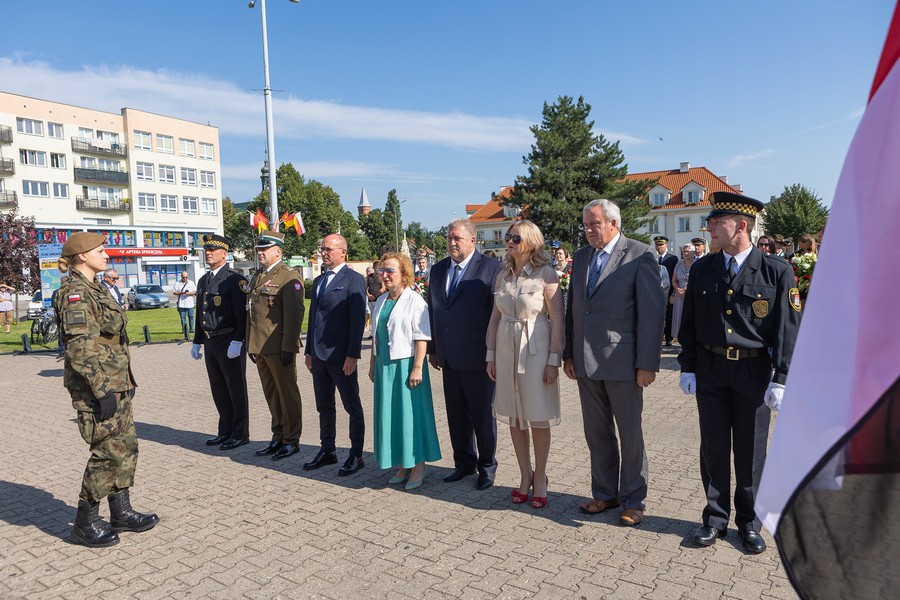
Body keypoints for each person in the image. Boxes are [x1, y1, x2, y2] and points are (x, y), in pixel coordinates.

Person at [677, 192, 802, 554]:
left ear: (741, 226)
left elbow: (788, 329)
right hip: (712, 370)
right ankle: (715, 519)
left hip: (754, 371)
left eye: (718, 222)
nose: (710, 227)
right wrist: (687, 365)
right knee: (714, 448)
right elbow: (689, 325)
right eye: (710, 221)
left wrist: (782, 376)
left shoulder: (776, 270)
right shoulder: (704, 267)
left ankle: (749, 522)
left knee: (750, 453)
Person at [564, 199, 665, 527]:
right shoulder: (581, 257)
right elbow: (574, 308)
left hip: (623, 363)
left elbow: (651, 314)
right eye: (586, 225)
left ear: (613, 224)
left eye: (595, 224)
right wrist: (568, 352)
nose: (589, 230)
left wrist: (647, 362)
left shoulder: (639, 254)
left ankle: (634, 500)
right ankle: (605, 492)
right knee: (597, 432)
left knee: (630, 433)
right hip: (585, 359)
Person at [53, 232, 158, 548]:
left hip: (117, 382)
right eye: (101, 250)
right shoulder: (74, 293)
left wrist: (123, 382)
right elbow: (80, 348)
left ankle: (121, 513)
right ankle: (84, 522)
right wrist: (101, 391)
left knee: (126, 446)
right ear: (82, 256)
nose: (107, 255)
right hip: (96, 386)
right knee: (107, 452)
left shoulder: (97, 289)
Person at [486, 221, 564, 509]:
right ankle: (524, 475)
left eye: (515, 237)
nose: (509, 241)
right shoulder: (502, 274)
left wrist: (553, 360)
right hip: (506, 351)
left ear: (531, 241)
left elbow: (558, 321)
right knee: (515, 416)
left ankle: (541, 476)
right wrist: (490, 355)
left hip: (536, 351)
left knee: (538, 416)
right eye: (508, 237)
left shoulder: (547, 274)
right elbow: (494, 319)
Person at [427, 218, 502, 490]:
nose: (452, 242)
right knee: (456, 414)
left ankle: (487, 467)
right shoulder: (437, 271)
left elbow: (497, 315)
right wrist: (434, 348)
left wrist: (493, 354)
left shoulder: (492, 269)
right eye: (449, 238)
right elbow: (433, 311)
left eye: (457, 238)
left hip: (479, 357)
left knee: (483, 416)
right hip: (448, 357)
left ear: (473, 240)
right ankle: (464, 463)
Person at [368, 252, 441, 490]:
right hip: (385, 366)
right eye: (382, 271)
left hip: (407, 365)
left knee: (410, 416)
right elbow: (375, 336)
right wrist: (372, 364)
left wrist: (418, 367)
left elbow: (422, 337)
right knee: (392, 416)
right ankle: (403, 464)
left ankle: (418, 464)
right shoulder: (380, 301)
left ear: (404, 274)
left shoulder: (415, 300)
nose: (385, 276)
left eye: (390, 271)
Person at [304, 234, 368, 475]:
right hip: (319, 355)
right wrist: (309, 351)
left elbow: (356, 320)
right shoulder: (319, 280)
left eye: (329, 249)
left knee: (352, 406)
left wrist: (353, 354)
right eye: (322, 249)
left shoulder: (353, 280)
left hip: (341, 357)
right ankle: (327, 449)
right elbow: (313, 320)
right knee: (324, 405)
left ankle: (356, 454)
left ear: (343, 252)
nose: (324, 253)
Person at [248, 230, 306, 461]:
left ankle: (292, 439)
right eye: (259, 250)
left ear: (278, 251)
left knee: (287, 394)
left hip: (279, 346)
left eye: (265, 250)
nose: (260, 253)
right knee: (272, 394)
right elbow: (252, 312)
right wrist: (250, 343)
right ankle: (278, 435)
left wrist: (289, 346)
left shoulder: (287, 276)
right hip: (260, 345)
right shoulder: (258, 276)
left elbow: (294, 314)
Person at [190, 235, 250, 450]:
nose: (208, 253)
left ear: (224, 254)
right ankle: (225, 430)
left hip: (228, 340)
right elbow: (201, 313)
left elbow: (242, 315)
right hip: (211, 342)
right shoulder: (204, 280)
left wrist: (238, 340)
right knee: (218, 388)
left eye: (213, 250)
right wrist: (197, 341)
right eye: (207, 250)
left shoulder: (234, 279)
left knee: (235, 388)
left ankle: (240, 433)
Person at [654, 236, 678, 346]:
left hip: (668, 292)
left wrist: (673, 293)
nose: (659, 247)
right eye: (657, 245)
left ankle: (669, 338)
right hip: (655, 292)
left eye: (661, 245)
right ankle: (658, 337)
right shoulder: (652, 258)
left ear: (666, 245)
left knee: (669, 315)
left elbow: (675, 275)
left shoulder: (672, 259)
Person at [671, 243, 695, 344]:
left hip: (691, 295)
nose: (685, 253)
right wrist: (677, 289)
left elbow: (698, 280)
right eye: (683, 251)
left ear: (693, 252)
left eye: (687, 251)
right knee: (679, 317)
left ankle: (691, 340)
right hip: (679, 296)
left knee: (690, 317)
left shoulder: (697, 264)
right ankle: (680, 340)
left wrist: (687, 290)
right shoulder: (679, 264)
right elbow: (673, 280)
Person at [173, 271, 197, 335]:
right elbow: (174, 292)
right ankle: (184, 330)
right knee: (183, 318)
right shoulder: (178, 283)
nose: (185, 279)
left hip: (190, 304)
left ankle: (191, 329)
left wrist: (189, 293)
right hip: (181, 304)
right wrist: (183, 293)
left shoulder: (191, 283)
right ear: (181, 277)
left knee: (191, 317)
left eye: (186, 277)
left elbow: (195, 291)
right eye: (184, 277)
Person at [365, 263, 384, 339]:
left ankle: (378, 333)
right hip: (370, 300)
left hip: (378, 299)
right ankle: (373, 333)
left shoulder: (381, 277)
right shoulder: (369, 277)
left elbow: (383, 288)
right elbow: (366, 287)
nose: (377, 269)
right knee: (373, 317)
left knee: (377, 316)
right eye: (376, 268)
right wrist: (368, 295)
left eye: (379, 268)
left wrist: (375, 296)